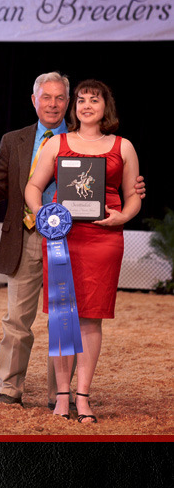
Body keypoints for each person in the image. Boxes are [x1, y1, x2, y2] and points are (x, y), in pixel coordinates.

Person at [0, 72, 145, 408]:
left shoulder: (94, 140)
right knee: (17, 319)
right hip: (28, 235)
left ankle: (58, 394)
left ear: (68, 103)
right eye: (46, 97)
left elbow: (124, 185)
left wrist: (130, 201)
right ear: (34, 101)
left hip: (77, 239)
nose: (53, 104)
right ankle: (9, 389)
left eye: (60, 97)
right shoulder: (15, 140)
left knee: (67, 318)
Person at [25, 79, 141, 424]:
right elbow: (34, 186)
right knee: (62, 315)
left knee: (91, 318)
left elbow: (133, 196)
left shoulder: (124, 147)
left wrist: (123, 216)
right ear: (75, 108)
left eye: (94, 100)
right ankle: (62, 395)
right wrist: (43, 213)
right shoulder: (57, 143)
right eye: (81, 100)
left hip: (105, 240)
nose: (87, 106)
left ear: (106, 107)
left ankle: (83, 396)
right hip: (63, 238)